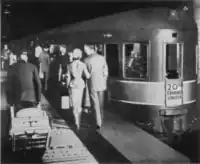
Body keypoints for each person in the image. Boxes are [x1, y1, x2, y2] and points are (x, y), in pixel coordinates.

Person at [84, 44, 108, 130]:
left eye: (85, 49)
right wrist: (103, 81)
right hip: (101, 84)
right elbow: (106, 73)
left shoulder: (86, 60)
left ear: (90, 49)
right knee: (101, 103)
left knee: (95, 104)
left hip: (92, 84)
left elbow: (87, 76)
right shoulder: (102, 58)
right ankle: (102, 119)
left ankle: (98, 123)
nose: (85, 51)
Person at [67, 48, 90, 130]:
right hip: (80, 84)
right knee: (79, 104)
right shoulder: (83, 64)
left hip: (73, 84)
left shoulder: (69, 65)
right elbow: (88, 76)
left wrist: (67, 86)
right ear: (80, 55)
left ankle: (76, 121)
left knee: (74, 104)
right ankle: (79, 123)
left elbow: (68, 78)